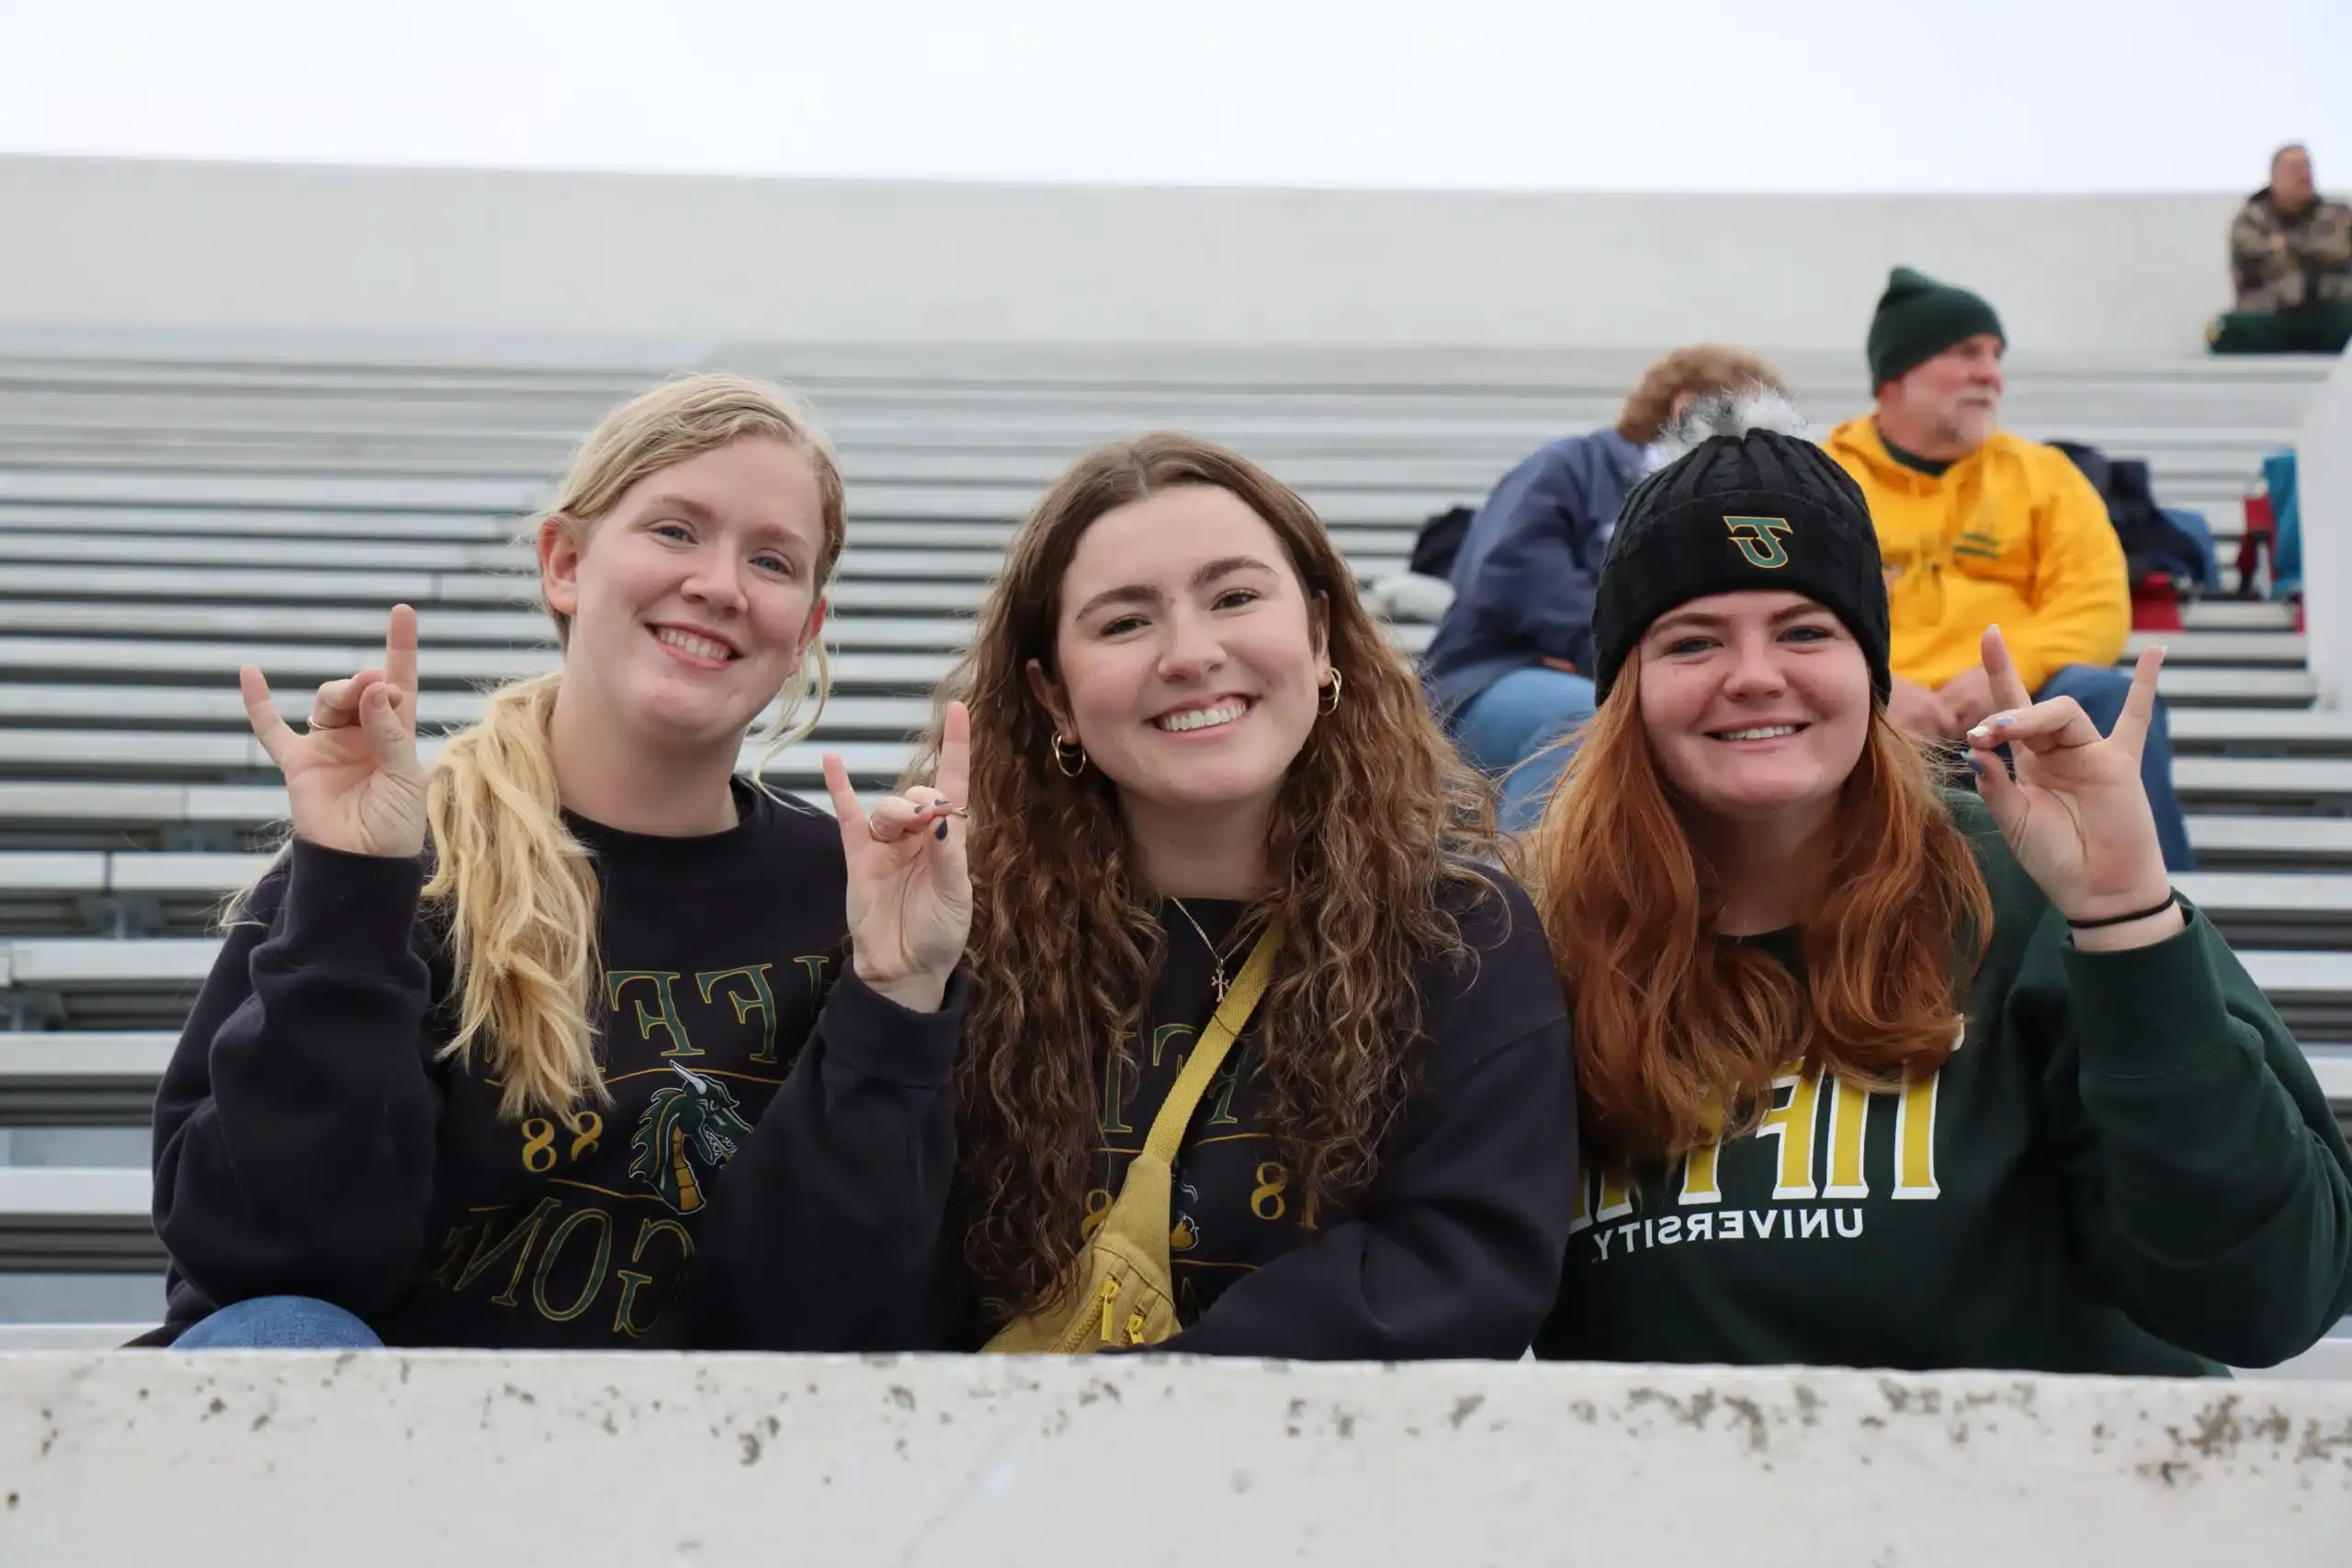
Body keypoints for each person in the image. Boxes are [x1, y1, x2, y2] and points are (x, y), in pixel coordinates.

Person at [1525, 391, 2352, 1374]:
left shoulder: (2026, 888)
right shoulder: (1540, 940)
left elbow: (2263, 1298)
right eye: (1693, 641)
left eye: (1803, 632)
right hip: (1674, 1518)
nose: (1753, 674)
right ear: (1626, 689)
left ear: (1870, 669)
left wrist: (2126, 918)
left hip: (2052, 1512)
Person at [147, 373, 973, 1350]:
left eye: (772, 560)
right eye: (675, 531)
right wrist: (352, 896)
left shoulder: (855, 897)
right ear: (565, 562)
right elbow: (266, 1264)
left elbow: (828, 1324)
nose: (719, 584)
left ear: (805, 634)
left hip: (700, 1453)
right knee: (278, 1337)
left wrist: (896, 992)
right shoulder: (393, 851)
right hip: (379, 1457)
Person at [910, 432, 1578, 1359]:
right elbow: (844, 1288)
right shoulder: (956, 939)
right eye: (1123, 623)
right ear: (1052, 695)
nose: (1190, 654)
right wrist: (891, 1000)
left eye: (1233, 597)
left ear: (1318, 636)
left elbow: (1461, 1272)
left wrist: (1124, 1417)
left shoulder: (1462, 938)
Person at [1826, 266, 2197, 872]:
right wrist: (1871, 689)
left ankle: (2156, 924)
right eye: (1967, 352)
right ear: (1896, 374)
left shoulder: (2044, 474)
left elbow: (2096, 602)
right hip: (1869, 714)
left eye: (1996, 356)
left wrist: (2009, 674)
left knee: (2107, 694)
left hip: (2020, 709)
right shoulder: (1823, 477)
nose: (1990, 374)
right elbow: (1783, 606)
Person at [1424, 345, 1788, 830]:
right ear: (1686, 405)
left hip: (1630, 684)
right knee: (1580, 719)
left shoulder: (1732, 508)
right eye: (1743, 420)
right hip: (1492, 680)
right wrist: (1612, 652)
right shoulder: (1572, 467)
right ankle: (1530, 894)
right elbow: (1507, 572)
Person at [2211, 143, 2352, 356]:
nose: (2304, 176)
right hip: (2274, 316)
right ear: (2275, 177)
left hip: (2329, 312)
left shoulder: (2338, 214)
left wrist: (2287, 246)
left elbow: (2340, 251)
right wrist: (2314, 249)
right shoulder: (2250, 220)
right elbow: (2258, 259)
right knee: (2223, 330)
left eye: (2307, 167)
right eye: (2295, 169)